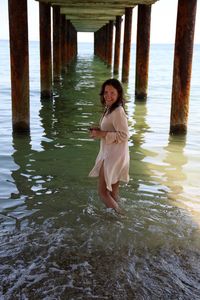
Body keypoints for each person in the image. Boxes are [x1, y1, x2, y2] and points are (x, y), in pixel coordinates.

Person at [89, 78, 130, 214]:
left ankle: (122, 218)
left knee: (102, 192)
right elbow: (112, 130)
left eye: (112, 93)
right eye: (106, 92)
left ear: (118, 94)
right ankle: (117, 219)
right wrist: (99, 132)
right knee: (112, 194)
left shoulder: (117, 111)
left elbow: (124, 135)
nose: (108, 96)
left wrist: (103, 133)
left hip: (113, 156)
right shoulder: (110, 109)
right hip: (117, 154)